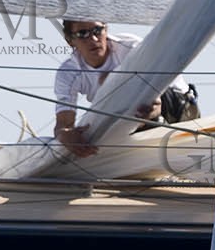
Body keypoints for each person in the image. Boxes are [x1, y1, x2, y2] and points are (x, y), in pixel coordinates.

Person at [53, 19, 199, 159]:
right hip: (129, 117)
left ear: (106, 29)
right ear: (70, 40)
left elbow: (156, 94)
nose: (94, 39)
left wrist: (153, 110)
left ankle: (158, 131)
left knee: (116, 84)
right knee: (94, 124)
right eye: (83, 34)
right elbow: (63, 125)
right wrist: (65, 136)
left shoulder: (131, 48)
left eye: (97, 30)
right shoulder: (69, 73)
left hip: (178, 105)